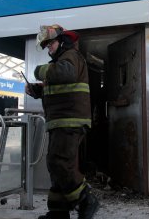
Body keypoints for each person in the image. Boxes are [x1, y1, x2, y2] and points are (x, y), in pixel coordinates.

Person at [25, 24, 99, 219]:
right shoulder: (61, 61)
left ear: (62, 41)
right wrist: (38, 90)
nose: (48, 48)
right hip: (62, 121)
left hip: (69, 120)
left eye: (50, 44)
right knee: (56, 163)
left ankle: (86, 199)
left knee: (60, 163)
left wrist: (38, 71)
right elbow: (60, 87)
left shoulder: (70, 57)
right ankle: (58, 211)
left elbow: (65, 73)